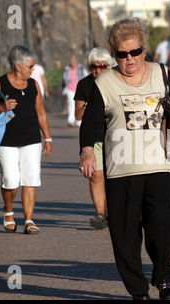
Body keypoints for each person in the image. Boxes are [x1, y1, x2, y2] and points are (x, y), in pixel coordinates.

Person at [79, 18, 170, 300]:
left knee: (164, 225)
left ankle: (163, 276)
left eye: (135, 52)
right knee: (124, 234)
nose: (130, 58)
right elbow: (90, 122)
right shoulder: (104, 82)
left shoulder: (161, 73)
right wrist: (87, 150)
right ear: (115, 55)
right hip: (121, 168)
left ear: (144, 50)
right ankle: (138, 292)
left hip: (159, 162)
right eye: (122, 54)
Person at [0, 45, 52, 234]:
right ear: (17, 66)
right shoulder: (0, 84)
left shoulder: (33, 84)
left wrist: (48, 138)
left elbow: (41, 112)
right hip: (6, 141)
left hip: (32, 139)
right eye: (30, 66)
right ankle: (8, 210)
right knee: (11, 180)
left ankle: (29, 220)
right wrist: (2, 107)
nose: (33, 69)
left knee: (30, 180)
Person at [74, 47, 114, 229]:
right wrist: (90, 107)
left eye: (102, 66)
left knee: (114, 176)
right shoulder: (84, 85)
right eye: (93, 67)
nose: (97, 70)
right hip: (94, 136)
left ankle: (115, 212)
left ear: (109, 65)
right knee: (96, 174)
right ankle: (100, 213)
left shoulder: (116, 82)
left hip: (114, 134)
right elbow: (78, 115)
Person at [62, 55, 88, 127]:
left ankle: (79, 121)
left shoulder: (81, 68)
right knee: (71, 104)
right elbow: (64, 80)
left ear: (75, 61)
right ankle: (71, 120)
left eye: (73, 61)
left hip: (79, 89)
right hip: (70, 89)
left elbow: (86, 77)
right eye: (70, 62)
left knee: (80, 105)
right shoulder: (67, 69)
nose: (72, 63)